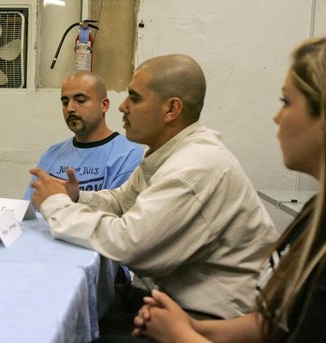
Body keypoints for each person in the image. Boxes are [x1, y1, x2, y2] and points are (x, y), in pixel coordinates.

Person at [29, 54, 278, 321]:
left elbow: (128, 244)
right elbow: (121, 201)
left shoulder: (193, 167)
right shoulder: (169, 153)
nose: (123, 107)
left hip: (210, 318)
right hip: (167, 297)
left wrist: (57, 205)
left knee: (55, 319)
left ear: (171, 109)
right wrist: (77, 197)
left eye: (134, 98)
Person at [132, 37, 326, 342]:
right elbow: (270, 324)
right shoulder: (316, 213)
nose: (277, 117)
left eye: (286, 102)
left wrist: (181, 335)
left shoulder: (198, 163)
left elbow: (133, 245)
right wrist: (190, 326)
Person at [24, 70, 144, 200]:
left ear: (104, 105)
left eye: (80, 100)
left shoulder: (128, 155)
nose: (70, 108)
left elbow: (117, 213)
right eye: (65, 102)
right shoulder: (52, 154)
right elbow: (29, 212)